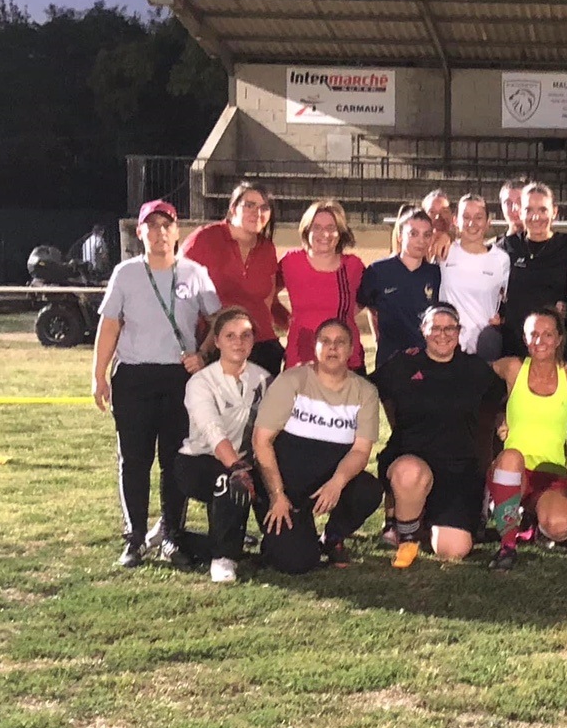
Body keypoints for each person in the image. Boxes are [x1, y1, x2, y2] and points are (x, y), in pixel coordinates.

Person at [92, 199, 221, 568]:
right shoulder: (126, 273)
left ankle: (172, 536)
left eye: (167, 225)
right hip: (134, 375)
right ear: (140, 232)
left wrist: (204, 354)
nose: (160, 233)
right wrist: (98, 374)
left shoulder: (195, 272)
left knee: (174, 461)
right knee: (134, 459)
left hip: (179, 377)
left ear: (177, 231)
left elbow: (218, 319)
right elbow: (110, 325)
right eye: (152, 226)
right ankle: (134, 537)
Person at [375, 303, 506, 568]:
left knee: (453, 550)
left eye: (450, 328)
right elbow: (365, 388)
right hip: (411, 460)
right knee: (410, 472)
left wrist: (506, 421)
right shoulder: (403, 364)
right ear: (423, 330)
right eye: (435, 327)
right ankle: (408, 538)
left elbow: (502, 400)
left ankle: (425, 520)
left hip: (458, 471)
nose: (443, 334)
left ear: (459, 332)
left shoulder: (475, 369)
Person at [252, 319, 382, 573]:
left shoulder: (365, 392)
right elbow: (261, 440)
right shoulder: (292, 381)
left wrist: (337, 483)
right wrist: (277, 495)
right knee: (299, 564)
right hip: (283, 489)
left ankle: (332, 538)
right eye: (326, 342)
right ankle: (283, 540)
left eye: (340, 342)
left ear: (352, 348)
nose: (333, 348)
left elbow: (360, 451)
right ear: (315, 347)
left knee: (368, 490)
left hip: (325, 486)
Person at [173, 306, 271, 583]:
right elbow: (213, 431)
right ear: (216, 341)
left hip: (246, 461)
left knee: (284, 550)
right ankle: (223, 558)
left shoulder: (264, 379)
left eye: (245, 335)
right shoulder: (201, 382)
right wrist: (239, 469)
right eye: (230, 336)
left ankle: (187, 542)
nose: (238, 342)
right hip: (199, 461)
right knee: (230, 482)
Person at [487, 309, 567, 571]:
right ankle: (508, 545)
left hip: (550, 473)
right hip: (513, 472)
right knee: (511, 457)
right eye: (533, 334)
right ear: (524, 338)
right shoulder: (513, 368)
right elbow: (472, 377)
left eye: (547, 335)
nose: (540, 341)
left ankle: (531, 521)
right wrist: (497, 415)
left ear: (558, 339)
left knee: (561, 527)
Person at [182, 181, 287, 374]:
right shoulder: (204, 239)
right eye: (249, 205)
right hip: (217, 344)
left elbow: (268, 302)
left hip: (261, 344)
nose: (257, 212)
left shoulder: (267, 248)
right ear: (233, 208)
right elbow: (179, 290)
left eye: (264, 207)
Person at [279, 200, 367, 372]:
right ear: (306, 230)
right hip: (301, 358)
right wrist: (288, 322)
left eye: (331, 227)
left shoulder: (353, 266)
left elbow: (368, 297)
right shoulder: (290, 261)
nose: (324, 234)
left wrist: (346, 313)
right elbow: (266, 295)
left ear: (340, 232)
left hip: (346, 360)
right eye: (317, 227)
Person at [496, 182, 567, 357]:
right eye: (529, 210)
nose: (536, 217)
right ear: (520, 212)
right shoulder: (507, 247)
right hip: (514, 346)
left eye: (542, 210)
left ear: (554, 212)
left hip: (554, 349)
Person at [357, 207, 441, 370]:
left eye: (427, 235)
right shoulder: (378, 271)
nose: (421, 240)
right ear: (400, 236)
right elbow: (361, 307)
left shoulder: (436, 274)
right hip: (390, 365)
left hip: (427, 365)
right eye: (413, 234)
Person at [440, 194, 510, 360]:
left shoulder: (501, 259)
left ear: (488, 222)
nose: (472, 223)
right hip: (448, 347)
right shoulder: (443, 252)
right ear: (456, 220)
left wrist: (501, 320)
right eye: (466, 217)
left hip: (484, 350)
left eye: (479, 217)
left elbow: (507, 299)